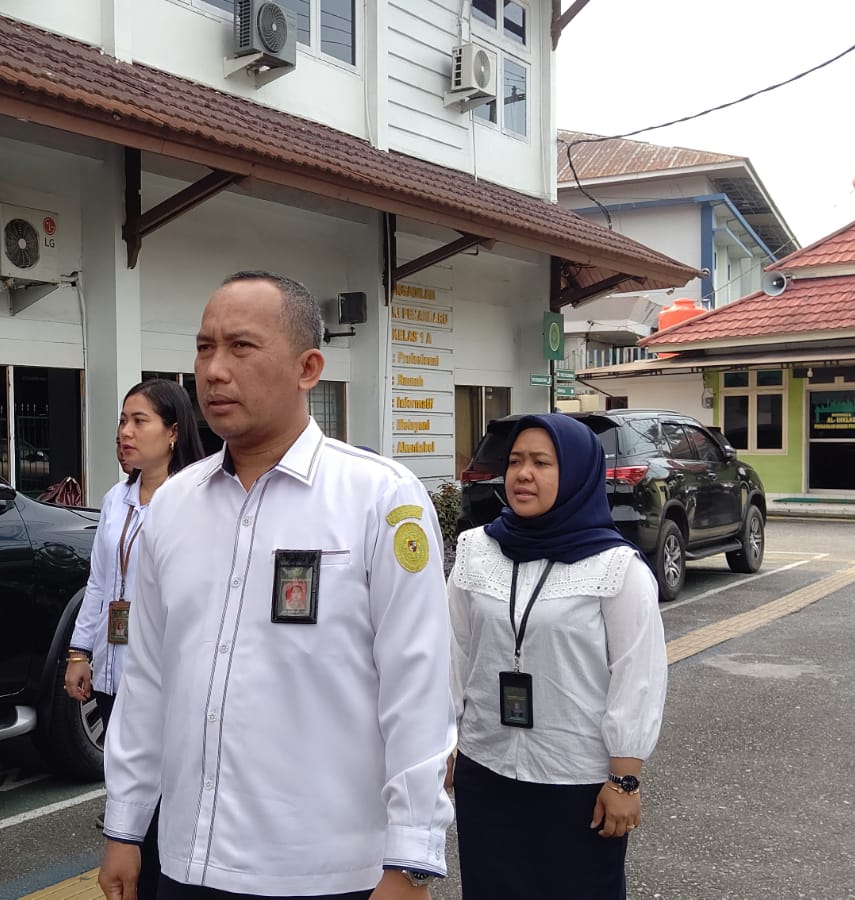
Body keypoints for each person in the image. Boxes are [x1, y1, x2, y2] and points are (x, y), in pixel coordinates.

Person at [100, 272, 455, 900]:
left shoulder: (378, 498)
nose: (214, 370)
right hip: (190, 861)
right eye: (204, 348)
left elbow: (417, 686)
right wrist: (124, 827)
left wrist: (411, 860)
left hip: (329, 868)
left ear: (308, 368)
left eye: (241, 347)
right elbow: (148, 678)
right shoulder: (175, 505)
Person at [446, 414, 668, 900]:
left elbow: (638, 674)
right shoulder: (476, 550)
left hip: (576, 782)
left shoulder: (616, 567)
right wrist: (444, 742)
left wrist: (625, 779)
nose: (523, 474)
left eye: (542, 463)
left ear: (576, 474)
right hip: (486, 770)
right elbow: (454, 651)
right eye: (515, 461)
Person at [66, 379, 205, 894]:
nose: (124, 432)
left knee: (171, 795)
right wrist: (79, 651)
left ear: (173, 433)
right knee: (126, 786)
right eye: (122, 421)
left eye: (139, 421)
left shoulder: (194, 500)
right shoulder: (116, 499)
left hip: (167, 675)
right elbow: (99, 582)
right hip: (114, 669)